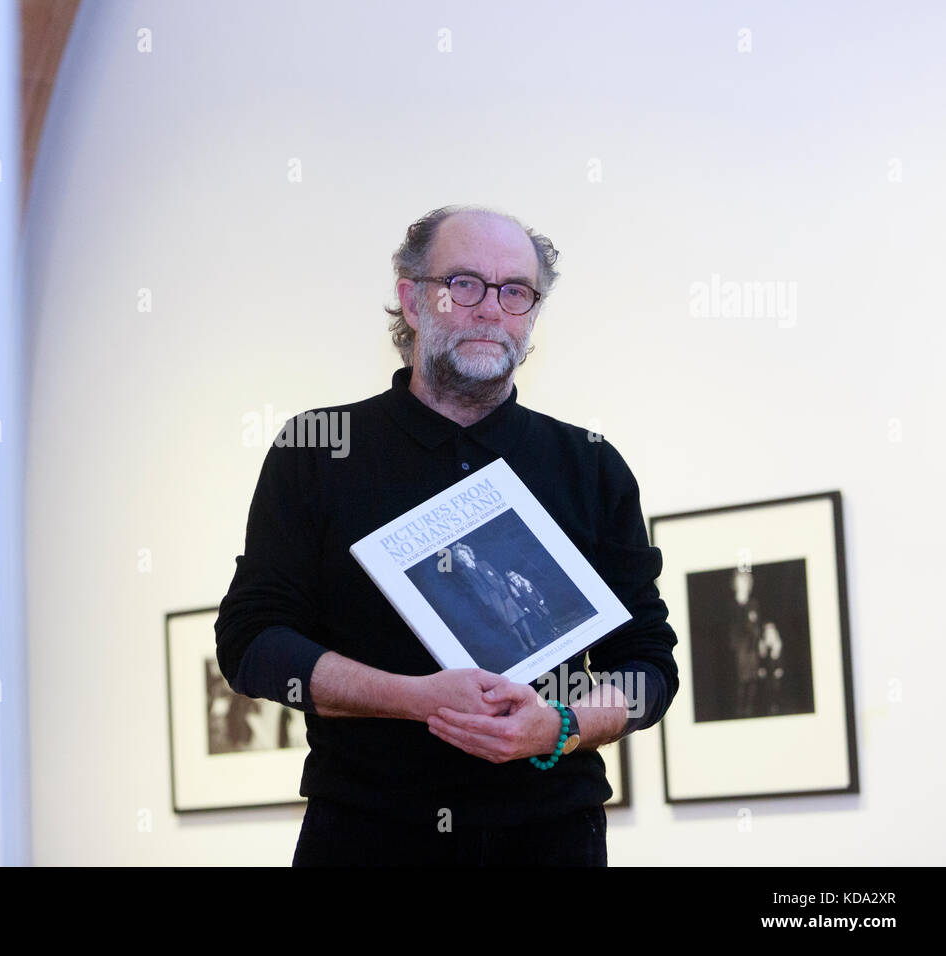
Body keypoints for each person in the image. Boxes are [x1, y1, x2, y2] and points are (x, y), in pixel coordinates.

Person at [214, 205, 679, 866]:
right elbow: (252, 645)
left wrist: (562, 726)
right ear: (411, 299)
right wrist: (414, 699)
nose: (490, 308)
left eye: (514, 291)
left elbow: (649, 666)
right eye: (462, 283)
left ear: (533, 314)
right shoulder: (318, 450)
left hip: (551, 838)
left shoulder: (591, 465)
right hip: (366, 836)